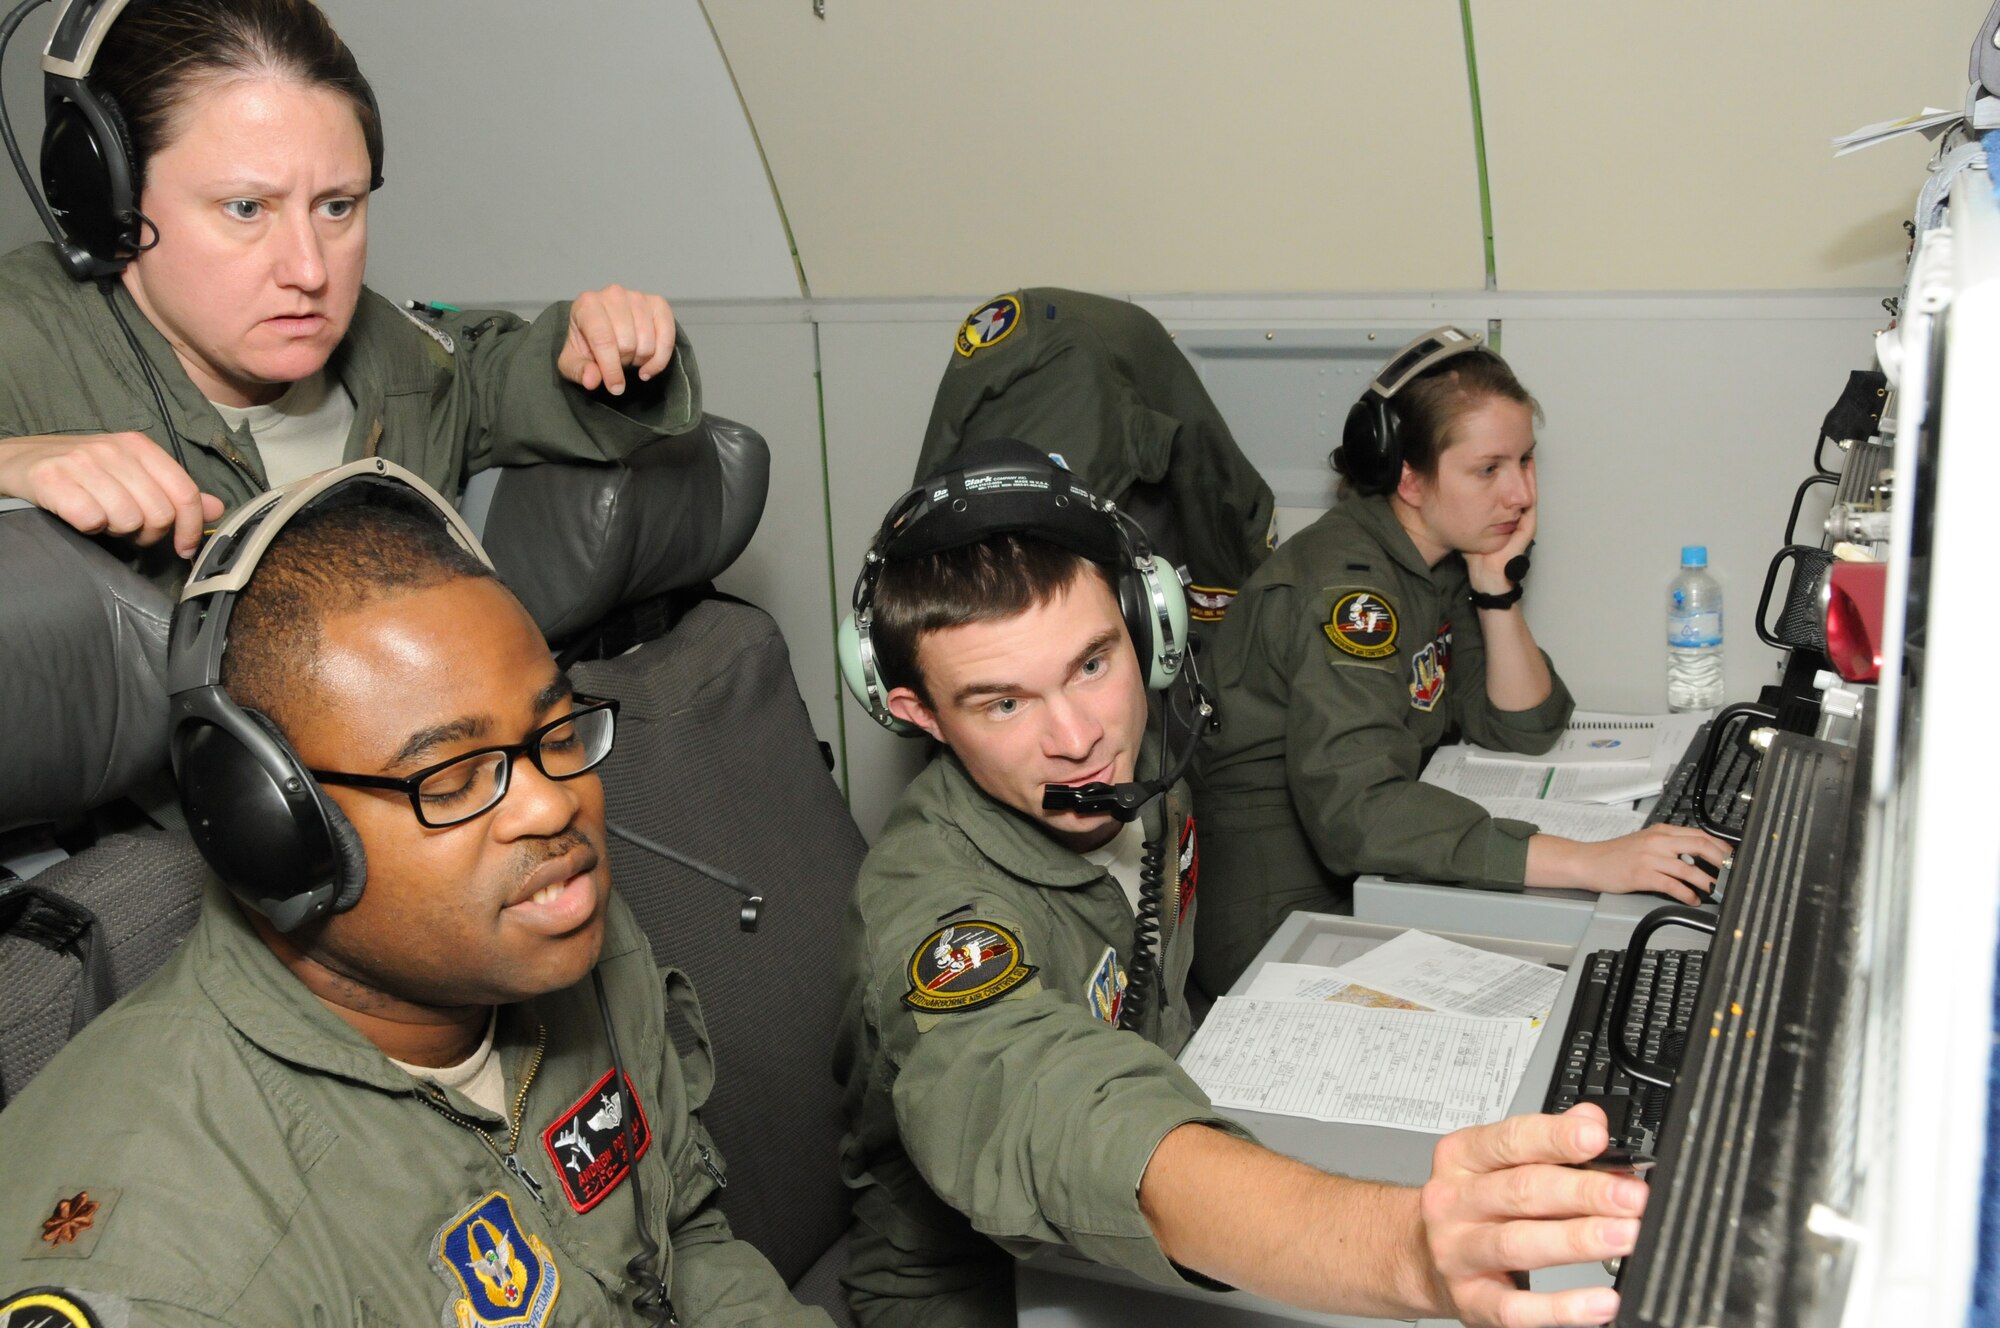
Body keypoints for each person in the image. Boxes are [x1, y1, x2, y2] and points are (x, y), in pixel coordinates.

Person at [831, 439, 1647, 1328]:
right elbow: (1050, 1102)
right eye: (1003, 703)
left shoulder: (1150, 771)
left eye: (1094, 664)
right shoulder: (933, 899)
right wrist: (1405, 1248)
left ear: (1152, 631)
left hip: (1146, 1218)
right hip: (988, 1292)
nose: (1077, 738)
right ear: (916, 713)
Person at [0, 465, 832, 1327]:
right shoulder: (175, 1268)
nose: (554, 804)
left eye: (554, 731)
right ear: (272, 827)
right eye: (451, 775)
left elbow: (680, 1236)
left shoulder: (555, 922)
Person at [0, 0, 693, 588]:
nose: (308, 270)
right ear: (107, 205)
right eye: (247, 208)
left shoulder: (403, 363)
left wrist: (604, 344)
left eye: (336, 207)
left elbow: (503, 374)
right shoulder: (21, 342)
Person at [1190, 327, 1732, 994]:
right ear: (1408, 478)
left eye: (1525, 462)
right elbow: (1360, 814)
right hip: (1281, 924)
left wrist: (1494, 587)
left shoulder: (1436, 561)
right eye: (1488, 470)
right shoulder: (1350, 595)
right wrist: (1593, 862)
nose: (1520, 496)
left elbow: (1522, 722)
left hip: (1367, 881)